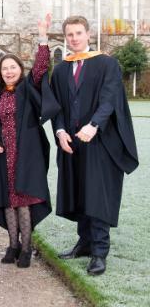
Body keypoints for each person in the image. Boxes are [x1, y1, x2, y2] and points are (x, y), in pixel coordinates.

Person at [51, 15, 138, 275]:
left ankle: (100, 251)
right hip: (72, 143)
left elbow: (110, 98)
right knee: (79, 192)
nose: (74, 38)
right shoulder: (62, 68)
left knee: (97, 195)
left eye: (78, 33)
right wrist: (60, 130)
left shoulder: (106, 64)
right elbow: (55, 105)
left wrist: (94, 125)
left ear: (88, 34)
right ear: (65, 38)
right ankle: (85, 243)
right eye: (69, 34)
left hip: (100, 141)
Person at [0, 14, 60, 268]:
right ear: (0, 72)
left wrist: (42, 36)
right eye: (4, 68)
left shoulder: (27, 89)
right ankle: (12, 245)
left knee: (24, 200)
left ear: (19, 70)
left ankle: (26, 248)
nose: (8, 71)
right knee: (8, 200)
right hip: (2, 153)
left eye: (12, 67)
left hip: (25, 152)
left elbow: (40, 68)